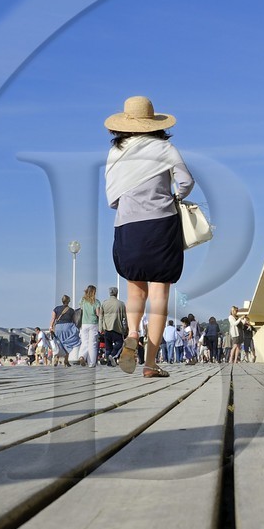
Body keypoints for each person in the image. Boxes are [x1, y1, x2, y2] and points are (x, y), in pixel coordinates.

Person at [103, 95, 192, 378]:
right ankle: (151, 364)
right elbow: (187, 182)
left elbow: (112, 199)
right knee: (159, 293)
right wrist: (174, 195)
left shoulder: (115, 153)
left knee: (135, 289)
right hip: (161, 224)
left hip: (127, 227)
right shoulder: (165, 148)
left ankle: (132, 332)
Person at [76, 285, 103, 366]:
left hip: (83, 324)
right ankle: (91, 363)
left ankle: (81, 356)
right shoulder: (96, 301)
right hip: (93, 323)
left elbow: (80, 310)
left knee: (84, 342)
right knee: (93, 344)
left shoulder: (82, 300)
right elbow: (98, 314)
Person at [49, 294, 79, 367]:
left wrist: (51, 327)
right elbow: (75, 321)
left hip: (58, 327)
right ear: (69, 301)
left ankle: (56, 358)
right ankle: (66, 360)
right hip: (68, 327)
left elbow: (53, 319)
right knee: (67, 344)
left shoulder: (56, 309)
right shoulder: (71, 310)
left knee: (58, 343)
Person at [100, 286, 128, 363]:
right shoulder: (121, 304)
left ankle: (109, 362)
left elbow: (101, 317)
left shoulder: (104, 303)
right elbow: (124, 318)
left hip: (106, 328)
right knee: (120, 344)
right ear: (117, 293)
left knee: (108, 347)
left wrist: (101, 328)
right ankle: (112, 356)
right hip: (117, 328)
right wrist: (125, 329)